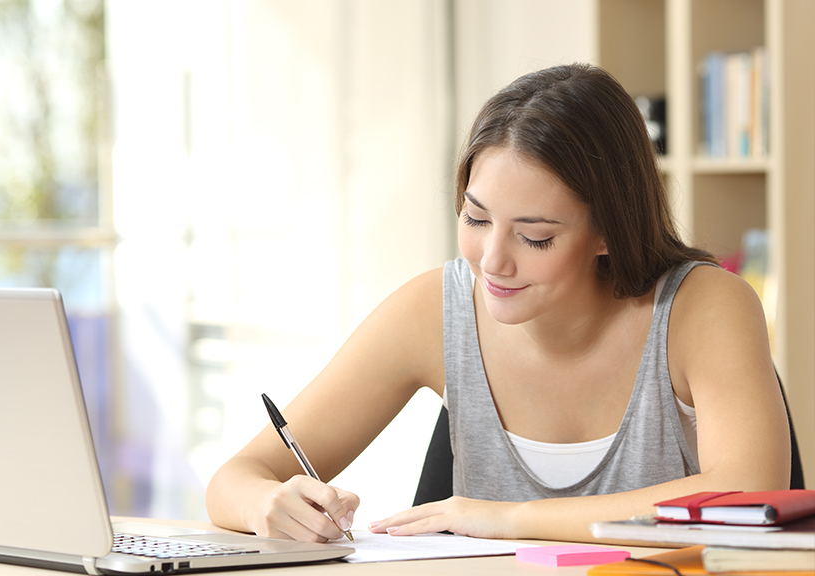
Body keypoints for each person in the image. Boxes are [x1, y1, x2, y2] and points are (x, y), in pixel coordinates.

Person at [205, 63, 791, 544]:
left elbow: (748, 489)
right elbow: (233, 479)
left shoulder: (703, 307)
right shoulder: (436, 310)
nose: (491, 261)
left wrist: (507, 519)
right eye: (475, 218)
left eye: (535, 237)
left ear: (609, 229)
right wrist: (268, 506)